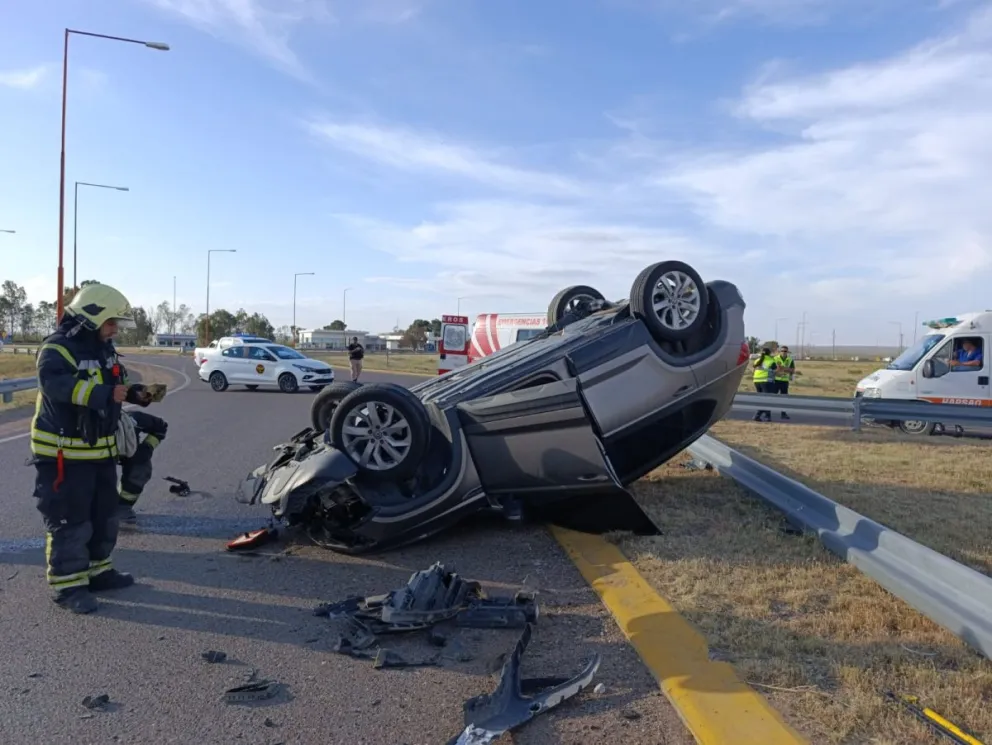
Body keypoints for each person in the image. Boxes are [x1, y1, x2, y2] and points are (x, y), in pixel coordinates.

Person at [31, 283, 158, 614]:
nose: (115, 328)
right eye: (111, 322)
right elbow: (56, 385)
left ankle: (99, 571)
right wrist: (105, 394)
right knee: (70, 522)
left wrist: (135, 393)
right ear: (91, 317)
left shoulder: (104, 349)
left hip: (100, 452)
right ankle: (68, 586)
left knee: (104, 517)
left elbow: (114, 385)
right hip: (64, 455)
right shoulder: (56, 349)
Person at [116, 409, 169, 523]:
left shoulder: (133, 420)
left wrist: (147, 447)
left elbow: (161, 427)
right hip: (91, 457)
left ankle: (123, 506)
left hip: (127, 453)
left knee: (141, 468)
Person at [751, 347, 778, 422]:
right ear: (769, 353)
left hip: (756, 381)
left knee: (762, 399)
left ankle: (767, 416)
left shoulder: (757, 360)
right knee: (768, 399)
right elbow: (775, 371)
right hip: (766, 381)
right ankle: (758, 415)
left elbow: (753, 370)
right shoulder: (771, 361)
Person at [772, 345, 796, 420]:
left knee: (784, 398)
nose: (783, 352)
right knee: (771, 397)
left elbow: (792, 370)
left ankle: (783, 413)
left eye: (785, 351)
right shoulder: (775, 358)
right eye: (782, 351)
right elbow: (773, 370)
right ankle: (766, 413)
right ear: (779, 351)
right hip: (776, 380)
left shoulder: (790, 359)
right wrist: (784, 369)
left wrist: (783, 368)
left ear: (787, 352)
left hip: (784, 381)